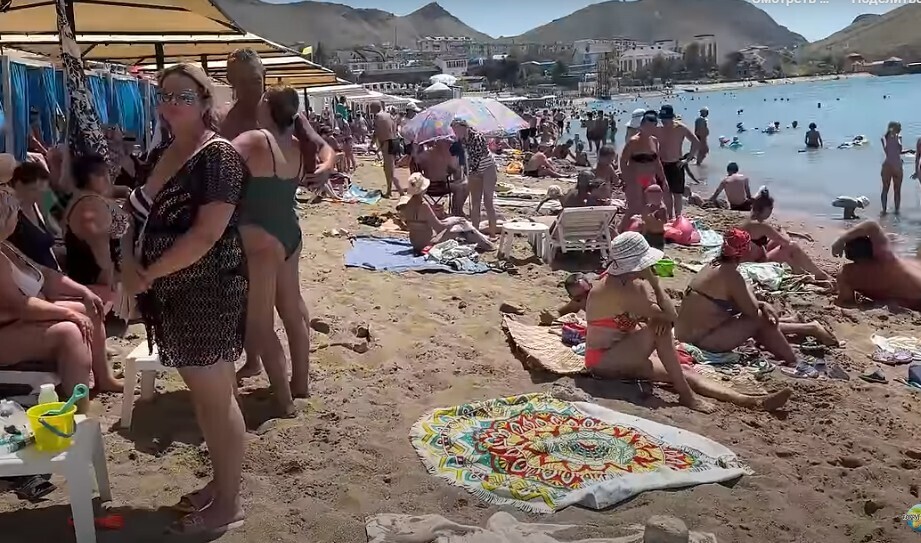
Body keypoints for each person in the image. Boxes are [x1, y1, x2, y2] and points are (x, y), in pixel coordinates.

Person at [124, 63, 247, 535]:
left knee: (216, 399)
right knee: (205, 397)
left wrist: (146, 273)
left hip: (207, 292)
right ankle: (221, 483)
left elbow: (206, 235)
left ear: (205, 102)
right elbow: (134, 215)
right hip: (169, 293)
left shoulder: (218, 157)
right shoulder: (164, 152)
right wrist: (128, 264)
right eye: (166, 95)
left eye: (184, 96)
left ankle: (229, 503)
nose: (172, 104)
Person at [586, 232, 792, 412]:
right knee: (660, 329)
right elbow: (670, 316)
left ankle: (749, 401)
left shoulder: (629, 283)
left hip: (623, 352)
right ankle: (687, 396)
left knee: (684, 371)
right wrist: (655, 284)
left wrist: (656, 305)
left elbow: (664, 315)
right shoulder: (622, 290)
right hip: (603, 361)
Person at [232, 86, 312, 415]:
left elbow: (212, 163)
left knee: (261, 324)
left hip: (260, 236)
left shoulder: (254, 140)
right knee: (293, 310)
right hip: (290, 232)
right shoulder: (297, 146)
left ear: (266, 105)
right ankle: (301, 383)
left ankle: (285, 401)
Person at [0, 187, 118, 408]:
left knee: (90, 308)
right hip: (7, 329)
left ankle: (104, 378)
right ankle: (79, 408)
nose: (17, 218)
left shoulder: (5, 247)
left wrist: (83, 292)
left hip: (19, 320)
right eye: (14, 213)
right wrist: (68, 314)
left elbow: (45, 274)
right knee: (69, 333)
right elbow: (20, 306)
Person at [675, 228, 831, 384]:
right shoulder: (731, 276)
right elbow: (752, 311)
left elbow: (735, 305)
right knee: (760, 318)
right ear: (745, 251)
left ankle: (798, 342)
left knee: (757, 316)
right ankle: (794, 362)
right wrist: (756, 297)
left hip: (685, 334)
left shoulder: (712, 265)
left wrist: (758, 301)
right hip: (701, 341)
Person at [64, 154, 129, 302]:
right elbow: (102, 259)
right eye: (100, 174)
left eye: (106, 172)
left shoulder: (85, 198)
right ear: (86, 177)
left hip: (91, 281)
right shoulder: (91, 206)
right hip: (96, 286)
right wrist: (110, 294)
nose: (107, 178)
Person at [740, 187, 833, 284]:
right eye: (770, 208)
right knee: (792, 246)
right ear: (764, 209)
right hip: (756, 265)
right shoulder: (761, 226)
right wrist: (785, 234)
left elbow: (774, 234)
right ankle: (819, 275)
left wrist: (796, 234)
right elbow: (785, 242)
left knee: (777, 243)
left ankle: (802, 270)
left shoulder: (749, 222)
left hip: (751, 260)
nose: (771, 211)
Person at [396, 173, 494, 254]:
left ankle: (485, 239)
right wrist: (455, 221)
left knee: (459, 222)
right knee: (462, 225)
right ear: (424, 189)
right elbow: (439, 227)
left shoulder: (406, 203)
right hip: (428, 244)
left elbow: (415, 220)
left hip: (415, 243)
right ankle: (487, 244)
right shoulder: (423, 205)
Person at [833, 220, 921, 309]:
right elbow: (872, 226)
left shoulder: (847, 274)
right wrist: (841, 240)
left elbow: (847, 301)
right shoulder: (886, 260)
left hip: (909, 300)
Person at [618, 111, 665, 233]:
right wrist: (628, 179)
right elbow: (623, 162)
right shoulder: (633, 141)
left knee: (650, 207)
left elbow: (657, 162)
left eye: (653, 127)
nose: (650, 129)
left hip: (650, 179)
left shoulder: (654, 141)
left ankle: (643, 231)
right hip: (636, 178)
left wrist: (663, 179)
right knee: (634, 208)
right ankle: (619, 231)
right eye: (648, 127)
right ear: (642, 125)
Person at [8, 163, 59, 271]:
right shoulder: (11, 216)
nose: (39, 194)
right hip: (36, 275)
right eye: (34, 189)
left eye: (43, 190)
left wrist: (46, 212)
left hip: (52, 271)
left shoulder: (36, 207)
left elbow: (54, 233)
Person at [452, 119, 498, 236]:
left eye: (456, 129)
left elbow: (476, 157)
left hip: (487, 168)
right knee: (475, 202)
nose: (455, 132)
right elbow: (462, 159)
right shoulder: (462, 140)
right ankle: (475, 233)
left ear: (464, 127)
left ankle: (492, 233)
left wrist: (471, 172)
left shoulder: (477, 137)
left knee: (488, 201)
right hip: (474, 170)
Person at [657, 105, 699, 219]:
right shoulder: (658, 128)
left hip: (676, 164)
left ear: (672, 117)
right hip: (661, 164)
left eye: (666, 118)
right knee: (666, 193)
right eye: (662, 118)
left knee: (677, 194)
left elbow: (696, 142)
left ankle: (678, 217)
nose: (664, 121)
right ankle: (670, 217)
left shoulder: (681, 128)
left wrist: (687, 159)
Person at [413, 139, 468, 217]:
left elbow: (416, 164)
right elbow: (455, 171)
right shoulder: (445, 156)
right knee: (464, 185)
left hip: (427, 187)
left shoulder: (424, 155)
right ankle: (457, 210)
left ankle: (456, 210)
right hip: (442, 186)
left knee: (461, 185)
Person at [371, 101, 400, 198]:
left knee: (388, 169)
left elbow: (376, 132)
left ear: (375, 108)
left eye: (371, 108)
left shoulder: (378, 116)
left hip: (387, 143)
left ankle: (390, 191)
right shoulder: (389, 115)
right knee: (390, 168)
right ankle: (392, 190)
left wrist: (372, 144)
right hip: (394, 141)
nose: (370, 111)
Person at [880, 121, 904, 214]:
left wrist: (897, 138)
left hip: (896, 165)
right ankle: (884, 210)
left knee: (897, 190)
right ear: (893, 128)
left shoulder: (899, 137)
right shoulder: (884, 138)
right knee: (886, 189)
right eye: (898, 127)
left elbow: (899, 149)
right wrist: (893, 136)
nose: (900, 129)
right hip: (890, 166)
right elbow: (887, 149)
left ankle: (896, 211)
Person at [639, 184, 667, 250]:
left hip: (657, 234)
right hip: (648, 233)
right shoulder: (647, 207)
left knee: (658, 250)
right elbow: (644, 219)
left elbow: (664, 221)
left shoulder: (662, 208)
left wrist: (654, 217)